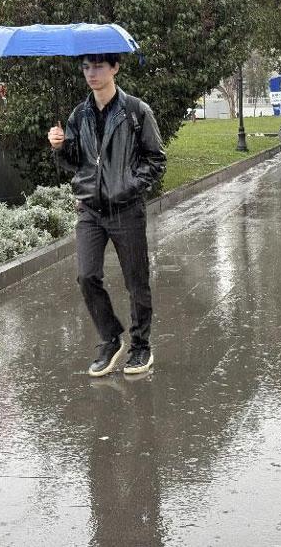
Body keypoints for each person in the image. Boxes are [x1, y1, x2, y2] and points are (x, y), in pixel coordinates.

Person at [48, 53, 166, 377]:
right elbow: (74, 161)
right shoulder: (79, 114)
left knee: (136, 281)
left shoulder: (136, 111)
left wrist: (128, 186)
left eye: (98, 66)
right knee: (86, 276)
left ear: (115, 68)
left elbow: (156, 159)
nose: (91, 73)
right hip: (90, 210)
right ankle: (111, 338)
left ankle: (141, 346)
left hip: (126, 210)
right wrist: (60, 146)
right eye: (86, 67)